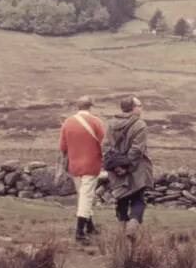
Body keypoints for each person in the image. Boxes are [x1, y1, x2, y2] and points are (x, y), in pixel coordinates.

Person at [102, 96, 153, 240]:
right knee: (138, 199)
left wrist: (117, 166)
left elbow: (106, 146)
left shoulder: (111, 123)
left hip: (115, 169)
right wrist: (126, 166)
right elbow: (137, 149)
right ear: (133, 108)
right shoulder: (140, 125)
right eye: (140, 105)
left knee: (121, 198)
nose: (141, 108)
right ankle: (132, 225)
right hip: (135, 168)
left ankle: (122, 231)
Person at [58, 95, 106, 243]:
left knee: (83, 195)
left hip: (74, 165)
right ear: (90, 106)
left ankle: (90, 226)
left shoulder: (68, 122)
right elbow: (104, 143)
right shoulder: (96, 122)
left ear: (77, 107)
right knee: (87, 195)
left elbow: (62, 147)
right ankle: (80, 231)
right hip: (91, 164)